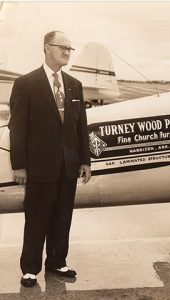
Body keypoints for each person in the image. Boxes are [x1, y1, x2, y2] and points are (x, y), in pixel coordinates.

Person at [9, 30, 91, 288]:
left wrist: (85, 161)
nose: (67, 52)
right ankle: (30, 269)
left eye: (70, 48)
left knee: (62, 216)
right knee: (37, 217)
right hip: (39, 166)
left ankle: (57, 262)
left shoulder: (74, 85)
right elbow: (18, 127)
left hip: (68, 165)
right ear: (46, 48)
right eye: (62, 47)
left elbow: (81, 127)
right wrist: (19, 165)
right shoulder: (26, 84)